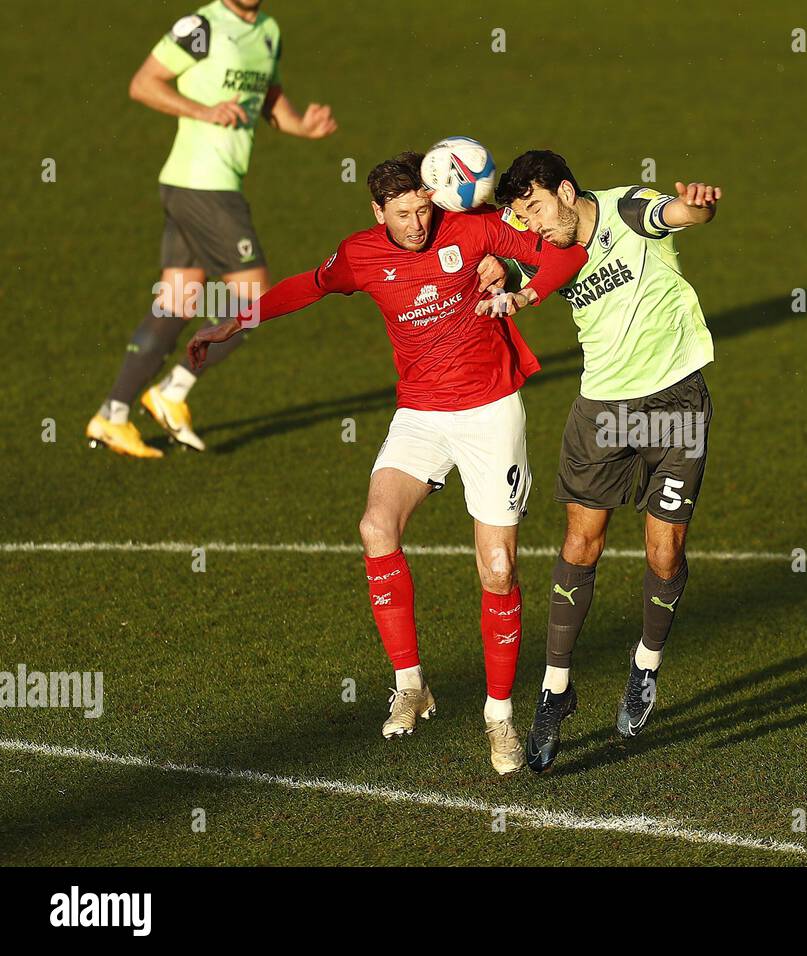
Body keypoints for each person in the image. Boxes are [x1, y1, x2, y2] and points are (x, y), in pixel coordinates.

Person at [188, 151, 587, 774]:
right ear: (378, 212)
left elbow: (565, 251)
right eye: (402, 216)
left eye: (424, 210)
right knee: (377, 527)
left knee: (499, 568)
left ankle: (500, 718)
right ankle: (411, 684)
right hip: (421, 415)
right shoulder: (359, 254)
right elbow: (307, 287)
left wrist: (517, 281)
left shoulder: (472, 226)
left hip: (490, 413)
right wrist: (231, 325)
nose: (417, 225)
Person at [491, 150, 720, 772]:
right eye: (521, 215)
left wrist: (695, 206)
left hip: (675, 401)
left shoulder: (626, 207)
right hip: (603, 411)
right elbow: (504, 264)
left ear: (566, 191)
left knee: (664, 551)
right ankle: (556, 690)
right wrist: (493, 270)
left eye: (537, 207)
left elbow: (679, 214)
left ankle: (644, 669)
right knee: (580, 542)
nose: (533, 224)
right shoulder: (541, 244)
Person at [88, 0, 337, 458]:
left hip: (198, 185)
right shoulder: (201, 26)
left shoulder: (268, 30)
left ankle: (112, 415)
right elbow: (144, 84)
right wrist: (203, 111)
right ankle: (172, 391)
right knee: (256, 301)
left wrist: (301, 125)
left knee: (179, 300)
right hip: (205, 184)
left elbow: (267, 96)